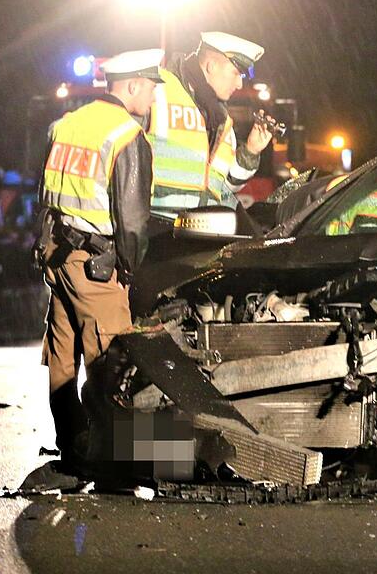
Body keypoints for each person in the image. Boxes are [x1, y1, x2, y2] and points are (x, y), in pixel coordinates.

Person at [36, 48, 160, 471]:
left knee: (62, 358)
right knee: (113, 362)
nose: (153, 99)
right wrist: (131, 273)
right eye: (150, 89)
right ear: (130, 86)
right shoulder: (126, 135)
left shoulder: (66, 124)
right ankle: (118, 464)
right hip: (95, 263)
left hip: (58, 256)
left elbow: (46, 194)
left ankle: (74, 448)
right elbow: (132, 223)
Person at [148, 31, 273, 210]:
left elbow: (226, 186)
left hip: (199, 232)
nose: (239, 84)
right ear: (211, 66)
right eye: (236, 73)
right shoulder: (158, 89)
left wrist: (251, 151)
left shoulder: (222, 121)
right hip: (156, 230)